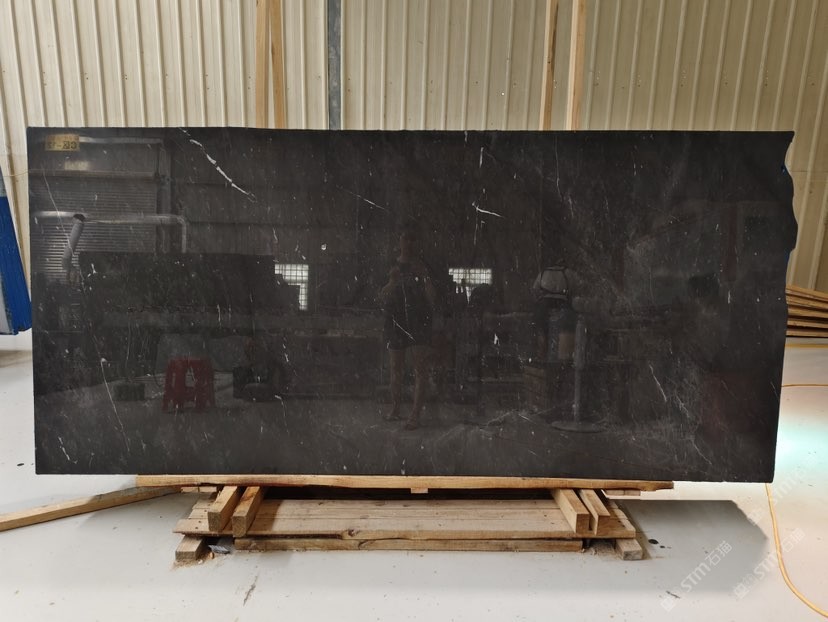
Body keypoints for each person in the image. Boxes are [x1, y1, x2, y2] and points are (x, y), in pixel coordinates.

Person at [379, 226, 436, 429]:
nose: (409, 243)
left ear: (417, 243)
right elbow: (381, 297)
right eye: (406, 239)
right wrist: (392, 282)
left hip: (419, 320)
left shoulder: (425, 265)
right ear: (400, 241)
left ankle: (415, 415)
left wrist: (426, 277)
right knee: (396, 368)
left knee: (420, 369)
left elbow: (433, 299)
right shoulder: (390, 265)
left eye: (413, 239)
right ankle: (395, 409)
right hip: (396, 320)